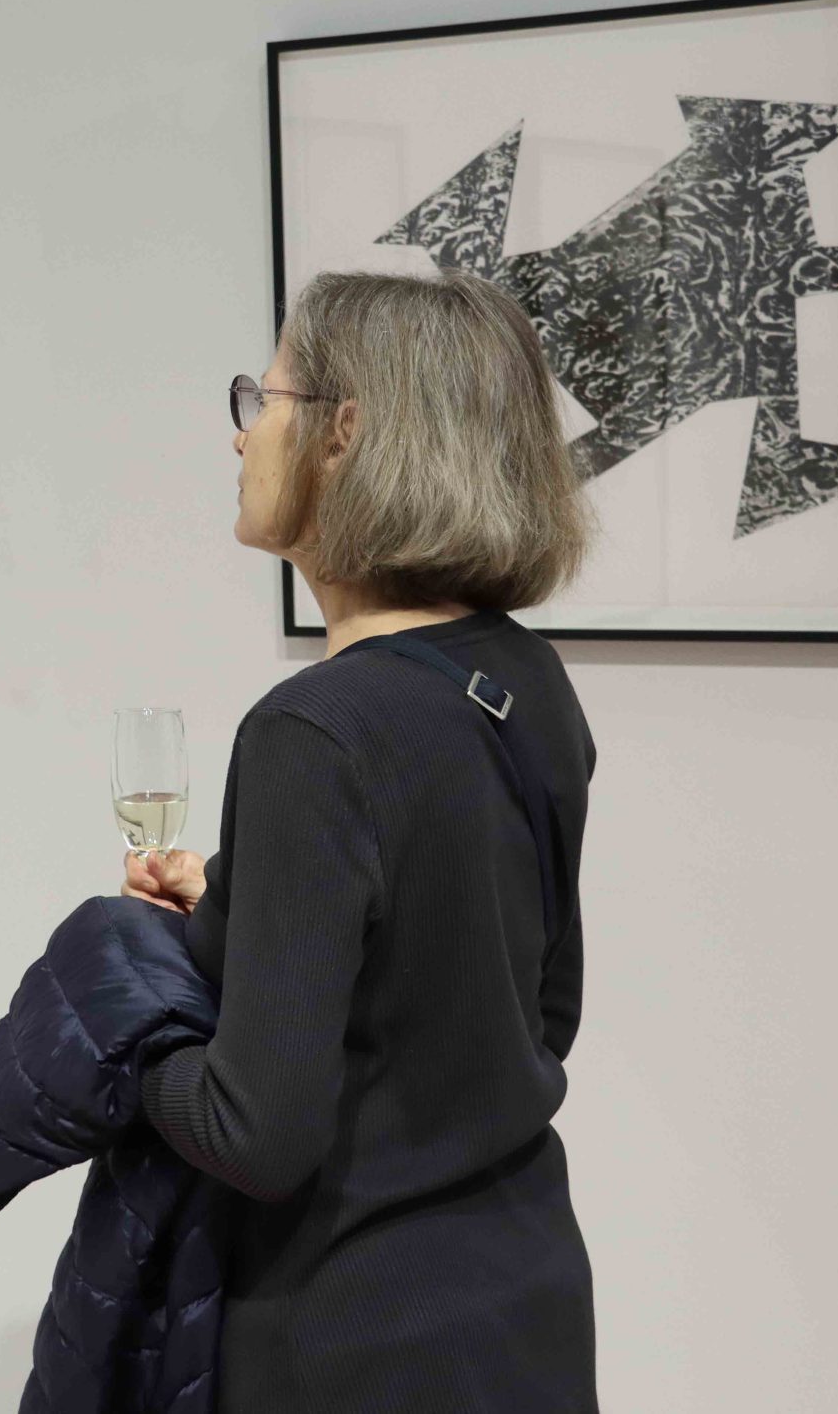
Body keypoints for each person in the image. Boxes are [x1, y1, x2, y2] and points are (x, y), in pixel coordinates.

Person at [121, 267, 600, 1409]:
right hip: (524, 1303)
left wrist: (123, 1042)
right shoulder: (521, 678)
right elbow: (528, 1010)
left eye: (264, 401)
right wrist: (236, 908)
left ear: (343, 433)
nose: (242, 434)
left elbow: (254, 1132)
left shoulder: (314, 730)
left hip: (356, 1337)